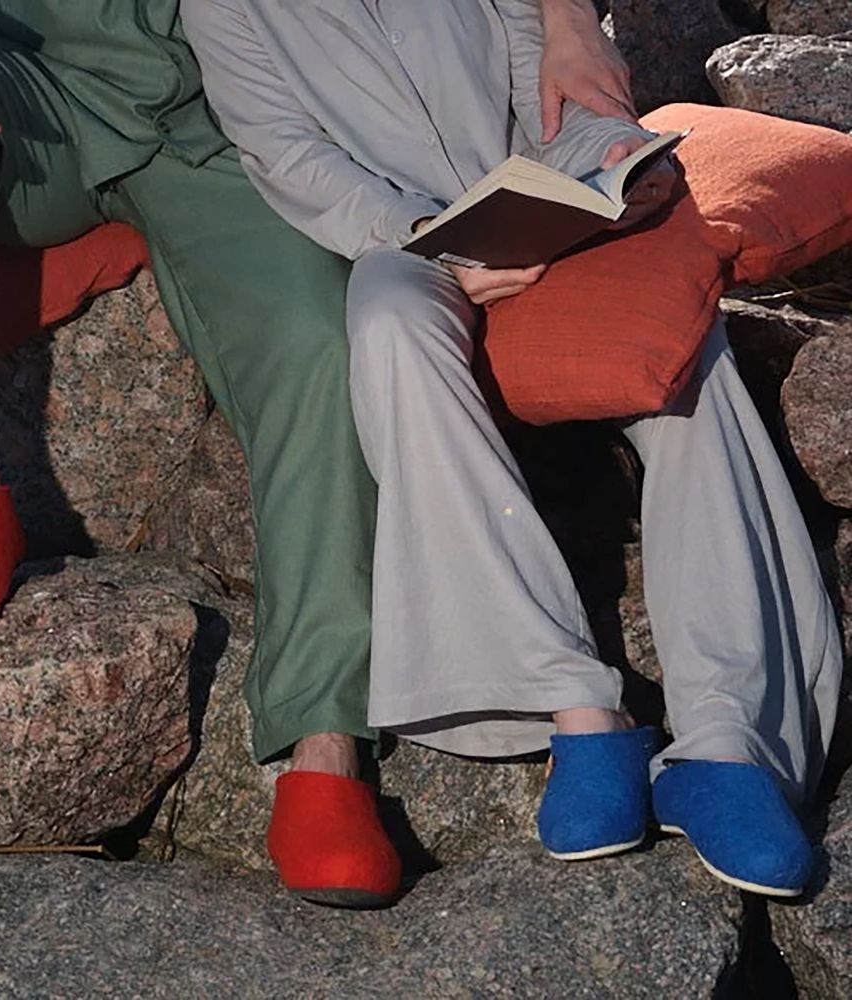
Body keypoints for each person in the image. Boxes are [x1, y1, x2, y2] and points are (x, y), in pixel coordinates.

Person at [0, 0, 634, 906]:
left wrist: (569, 15)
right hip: (33, 87)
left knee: (323, 343)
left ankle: (325, 747)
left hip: (224, 110)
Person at [181, 0, 843, 897]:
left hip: (556, 207)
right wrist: (429, 239)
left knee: (689, 345)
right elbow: (288, 154)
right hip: (408, 242)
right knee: (387, 323)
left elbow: (555, 83)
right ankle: (579, 711)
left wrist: (610, 166)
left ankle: (730, 745)